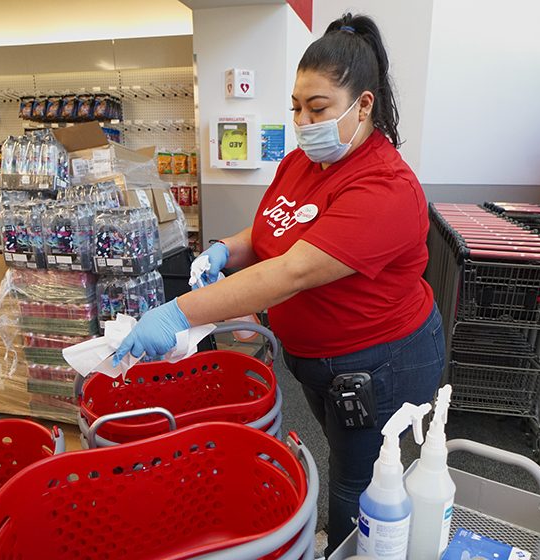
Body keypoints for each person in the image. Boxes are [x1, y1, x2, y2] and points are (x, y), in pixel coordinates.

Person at [114, 13, 445, 553]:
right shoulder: (302, 161)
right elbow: (274, 229)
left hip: (378, 359)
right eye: (296, 107)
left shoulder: (386, 188)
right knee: (341, 452)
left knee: (356, 481)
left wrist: (181, 312)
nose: (302, 121)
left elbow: (292, 270)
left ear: (364, 105)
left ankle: (350, 545)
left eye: (318, 109)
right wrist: (227, 247)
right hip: (318, 358)